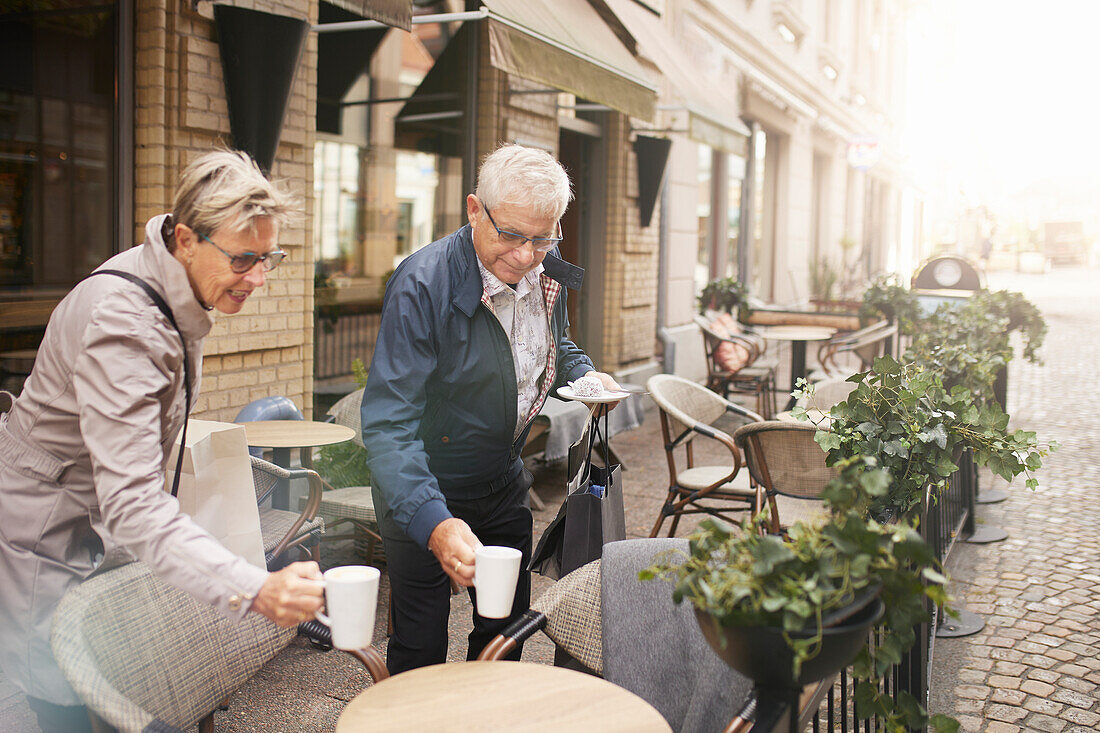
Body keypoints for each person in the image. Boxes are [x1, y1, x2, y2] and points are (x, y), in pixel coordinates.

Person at [0, 150, 324, 733]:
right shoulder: (124, 327)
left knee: (108, 684)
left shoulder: (170, 277)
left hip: (87, 513)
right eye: (243, 259)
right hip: (45, 528)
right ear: (184, 239)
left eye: (267, 257)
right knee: (64, 700)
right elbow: (131, 503)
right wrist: (254, 589)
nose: (258, 278)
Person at [361, 144, 620, 674]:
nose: (526, 257)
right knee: (420, 645)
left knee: (503, 636)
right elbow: (388, 427)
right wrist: (435, 523)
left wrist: (584, 375)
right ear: (475, 209)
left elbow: (550, 343)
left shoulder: (545, 272)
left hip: (503, 480)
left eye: (542, 239)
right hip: (424, 485)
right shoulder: (421, 285)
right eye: (511, 236)